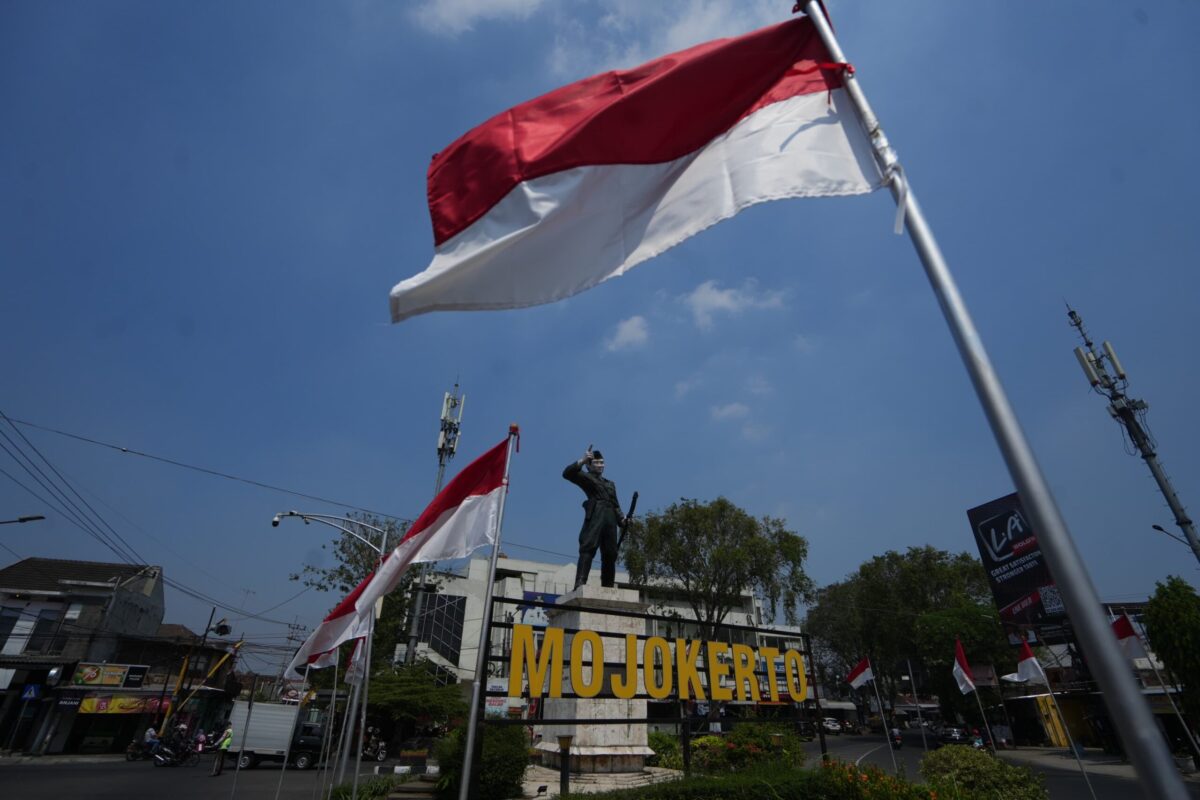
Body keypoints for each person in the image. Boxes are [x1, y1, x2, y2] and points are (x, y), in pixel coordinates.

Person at [563, 447, 624, 589]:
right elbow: (567, 473)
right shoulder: (586, 477)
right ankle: (580, 582)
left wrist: (622, 519)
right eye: (596, 463)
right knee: (588, 547)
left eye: (602, 462)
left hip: (610, 518)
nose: (600, 465)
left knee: (610, 553)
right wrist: (582, 459)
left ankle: (608, 585)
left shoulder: (610, 484)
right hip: (596, 513)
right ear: (589, 466)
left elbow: (616, 505)